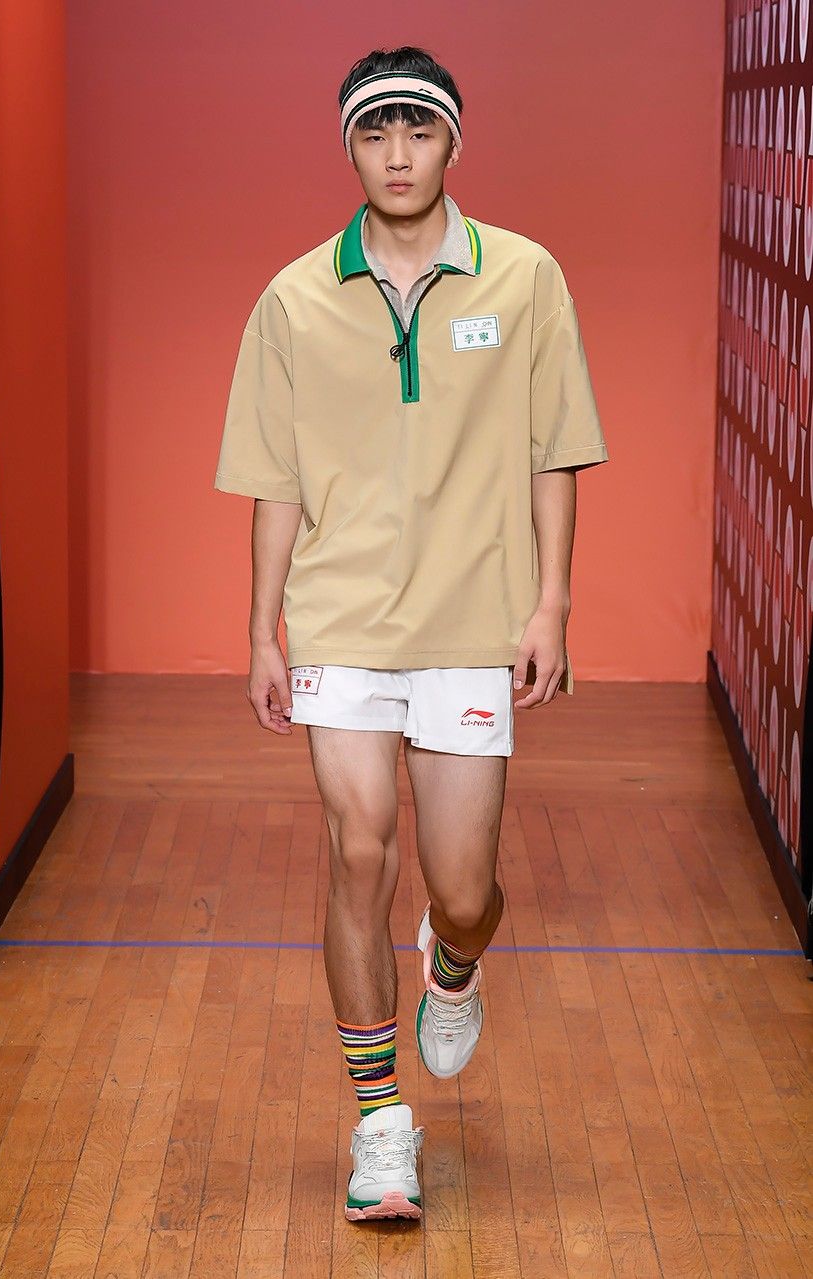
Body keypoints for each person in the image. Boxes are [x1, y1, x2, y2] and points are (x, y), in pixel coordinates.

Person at [214, 45, 610, 1223]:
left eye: (418, 130)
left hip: (473, 620)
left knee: (465, 887)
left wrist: (551, 603)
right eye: (375, 132)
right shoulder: (292, 299)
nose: (397, 154)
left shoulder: (525, 277)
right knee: (356, 853)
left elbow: (553, 450)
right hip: (341, 619)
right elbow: (274, 480)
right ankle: (380, 1125)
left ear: (452, 143)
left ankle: (455, 957)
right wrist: (263, 629)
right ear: (349, 147)